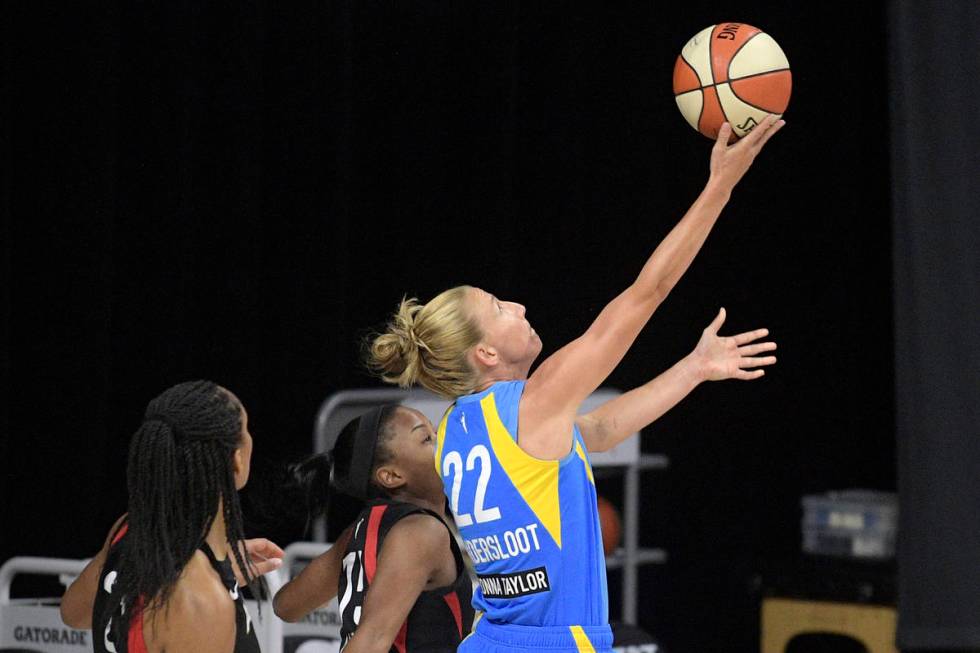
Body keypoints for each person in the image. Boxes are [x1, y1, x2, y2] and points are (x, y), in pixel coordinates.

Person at [366, 117, 784, 652]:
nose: (517, 306)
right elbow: (645, 294)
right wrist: (719, 187)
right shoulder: (533, 402)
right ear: (486, 353)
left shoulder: (457, 427)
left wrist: (695, 367)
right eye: (499, 308)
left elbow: (601, 431)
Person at [60, 380, 284, 653]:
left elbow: (74, 612)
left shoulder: (130, 529)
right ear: (236, 461)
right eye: (247, 430)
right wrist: (206, 583)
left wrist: (219, 571)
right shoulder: (201, 601)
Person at [274, 405, 474, 653]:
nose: (442, 440)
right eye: (426, 439)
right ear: (391, 476)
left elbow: (286, 605)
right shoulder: (422, 532)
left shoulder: (357, 532)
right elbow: (371, 641)